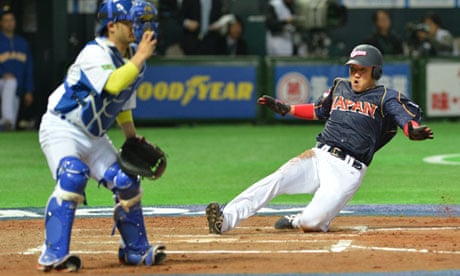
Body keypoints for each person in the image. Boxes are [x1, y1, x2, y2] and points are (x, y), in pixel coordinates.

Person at [206, 44, 433, 235]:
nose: (355, 74)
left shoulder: (386, 97)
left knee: (312, 223)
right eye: (353, 69)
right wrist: (287, 108)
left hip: (348, 171)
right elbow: (318, 110)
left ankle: (298, 220)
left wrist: (411, 130)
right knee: (276, 179)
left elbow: (405, 117)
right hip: (319, 156)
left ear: (376, 72)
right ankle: (225, 220)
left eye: (361, 70)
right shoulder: (339, 87)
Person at [36, 0, 166, 272]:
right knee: (73, 175)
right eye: (129, 23)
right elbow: (113, 84)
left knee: (126, 180)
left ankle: (135, 250)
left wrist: (131, 138)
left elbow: (122, 105)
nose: (136, 28)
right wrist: (140, 55)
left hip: (94, 136)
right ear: (111, 26)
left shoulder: (133, 61)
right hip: (62, 128)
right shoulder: (94, 53)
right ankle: (53, 255)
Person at [0, 5, 34, 131]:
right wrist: (2, 73)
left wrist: (29, 90)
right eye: (6, 20)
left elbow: (28, 69)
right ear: (1, 23)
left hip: (16, 88)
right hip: (2, 82)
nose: (9, 23)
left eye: (12, 20)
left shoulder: (22, 43)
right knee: (10, 82)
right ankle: (6, 119)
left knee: (10, 126)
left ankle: (6, 123)